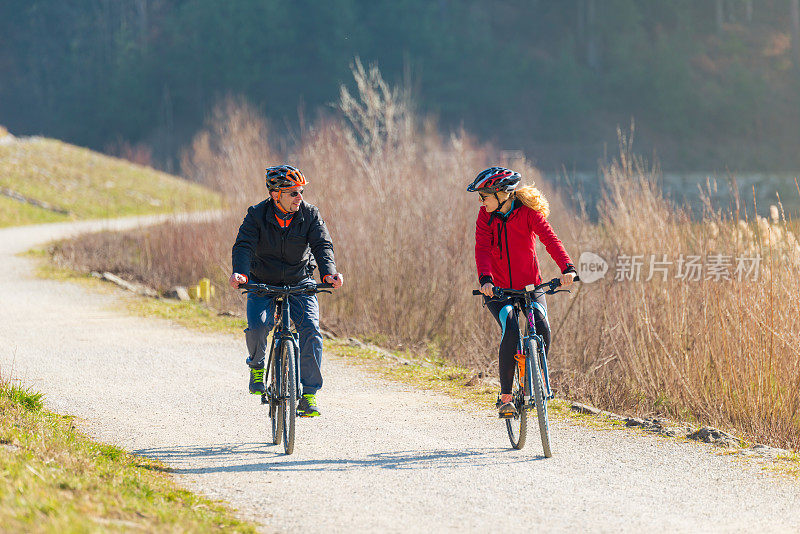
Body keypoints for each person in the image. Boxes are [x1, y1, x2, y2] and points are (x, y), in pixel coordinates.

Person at [229, 165, 343, 417]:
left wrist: (328, 273)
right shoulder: (256, 215)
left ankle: (309, 394)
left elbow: (322, 245)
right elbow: (243, 245)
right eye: (292, 193)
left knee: (311, 329)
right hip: (262, 283)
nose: (299, 197)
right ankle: (257, 366)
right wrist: (241, 272)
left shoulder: (310, 214)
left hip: (300, 282)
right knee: (259, 326)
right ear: (275, 195)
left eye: (300, 191)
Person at [468, 166, 578, 418]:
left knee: (542, 327)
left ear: (501, 194)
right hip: (498, 290)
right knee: (511, 328)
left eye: (484, 195)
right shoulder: (485, 217)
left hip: (530, 286)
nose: (481, 201)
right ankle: (506, 397)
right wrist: (485, 280)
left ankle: (535, 379)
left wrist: (567, 268)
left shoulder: (528, 214)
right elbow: (482, 248)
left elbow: (551, 240)